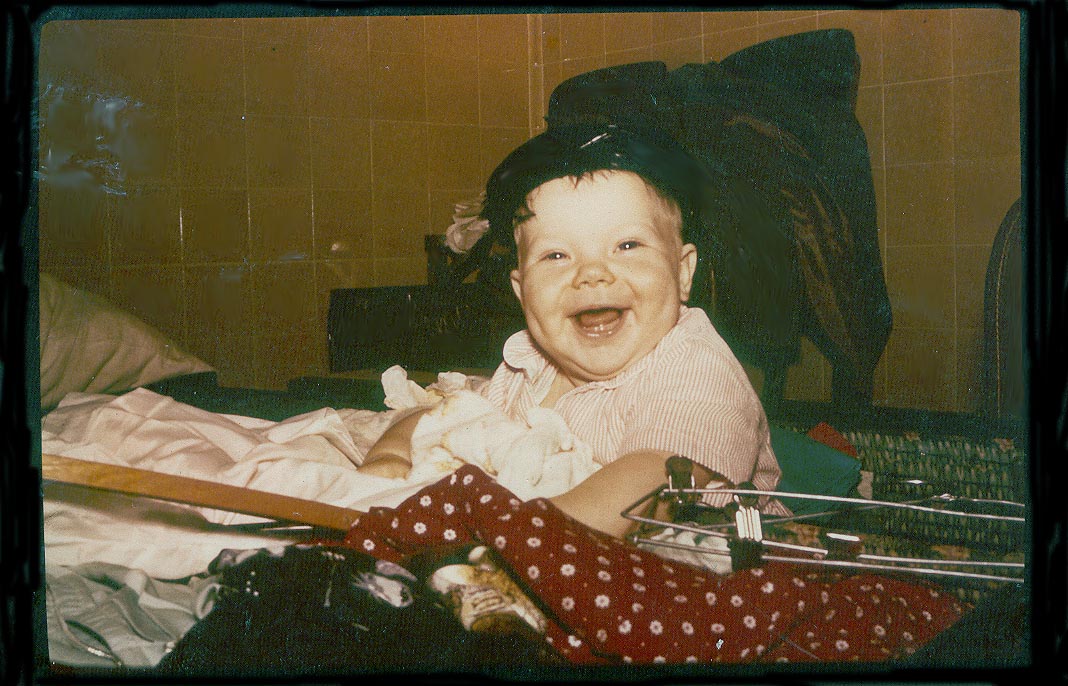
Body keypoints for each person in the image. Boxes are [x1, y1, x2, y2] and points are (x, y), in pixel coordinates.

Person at [359, 124, 787, 537]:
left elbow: (650, 480)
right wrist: (388, 460)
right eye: (556, 255)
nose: (592, 273)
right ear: (522, 291)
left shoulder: (694, 366)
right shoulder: (530, 365)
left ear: (682, 272)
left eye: (627, 245)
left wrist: (499, 535)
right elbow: (444, 416)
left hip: (704, 583)